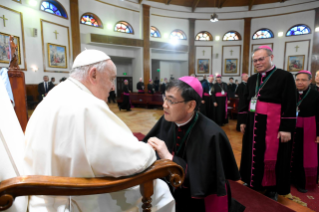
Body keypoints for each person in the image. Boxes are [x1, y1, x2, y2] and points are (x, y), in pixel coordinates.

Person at [23, 49, 175, 212]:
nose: (111, 87)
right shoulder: (87, 105)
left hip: (41, 196)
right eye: (111, 79)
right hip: (73, 199)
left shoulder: (54, 95)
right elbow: (126, 159)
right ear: (93, 75)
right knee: (160, 191)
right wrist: (148, 151)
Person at [143, 76, 244, 212]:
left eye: (171, 101)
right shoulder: (166, 119)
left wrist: (168, 157)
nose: (164, 105)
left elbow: (203, 180)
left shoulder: (211, 134)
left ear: (190, 106)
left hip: (198, 202)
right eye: (165, 98)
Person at [238, 46, 296, 201]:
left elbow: (290, 103)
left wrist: (286, 128)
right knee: (252, 151)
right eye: (255, 60)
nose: (258, 62)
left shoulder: (285, 76)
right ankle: (252, 181)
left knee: (273, 155)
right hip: (253, 123)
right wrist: (243, 121)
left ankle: (272, 188)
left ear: (271, 57)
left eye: (261, 59)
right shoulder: (252, 79)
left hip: (274, 125)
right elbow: (245, 101)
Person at [291, 70, 319, 193]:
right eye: (297, 80)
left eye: (303, 80)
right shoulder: (291, 93)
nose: (300, 82)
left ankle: (302, 182)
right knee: (292, 153)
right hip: (292, 128)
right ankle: (290, 178)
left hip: (309, 129)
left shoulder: (315, 94)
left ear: (310, 81)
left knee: (304, 156)